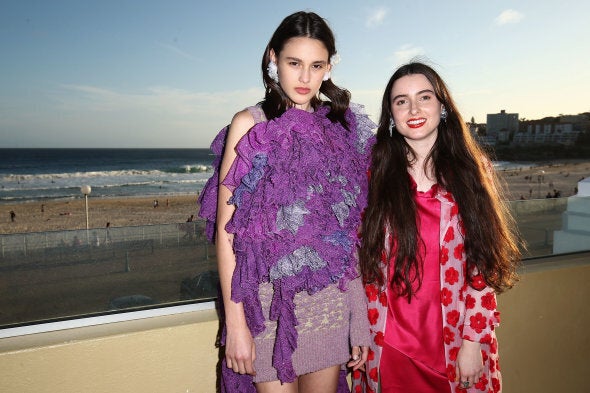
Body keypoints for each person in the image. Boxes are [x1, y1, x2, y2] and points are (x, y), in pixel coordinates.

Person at [197, 11, 374, 393]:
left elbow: (347, 238)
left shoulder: (339, 132)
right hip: (264, 311)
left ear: (329, 68)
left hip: (328, 306)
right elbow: (228, 236)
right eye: (294, 64)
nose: (305, 78)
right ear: (273, 59)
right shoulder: (250, 125)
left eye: (316, 66)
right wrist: (236, 325)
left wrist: (358, 317)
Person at [352, 62, 521, 393]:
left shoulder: (471, 172)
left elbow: (483, 265)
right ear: (391, 114)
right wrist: (356, 331)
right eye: (401, 101)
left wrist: (473, 343)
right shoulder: (374, 176)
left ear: (442, 106)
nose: (413, 109)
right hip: (388, 344)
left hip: (454, 343)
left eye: (424, 97)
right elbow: (360, 265)